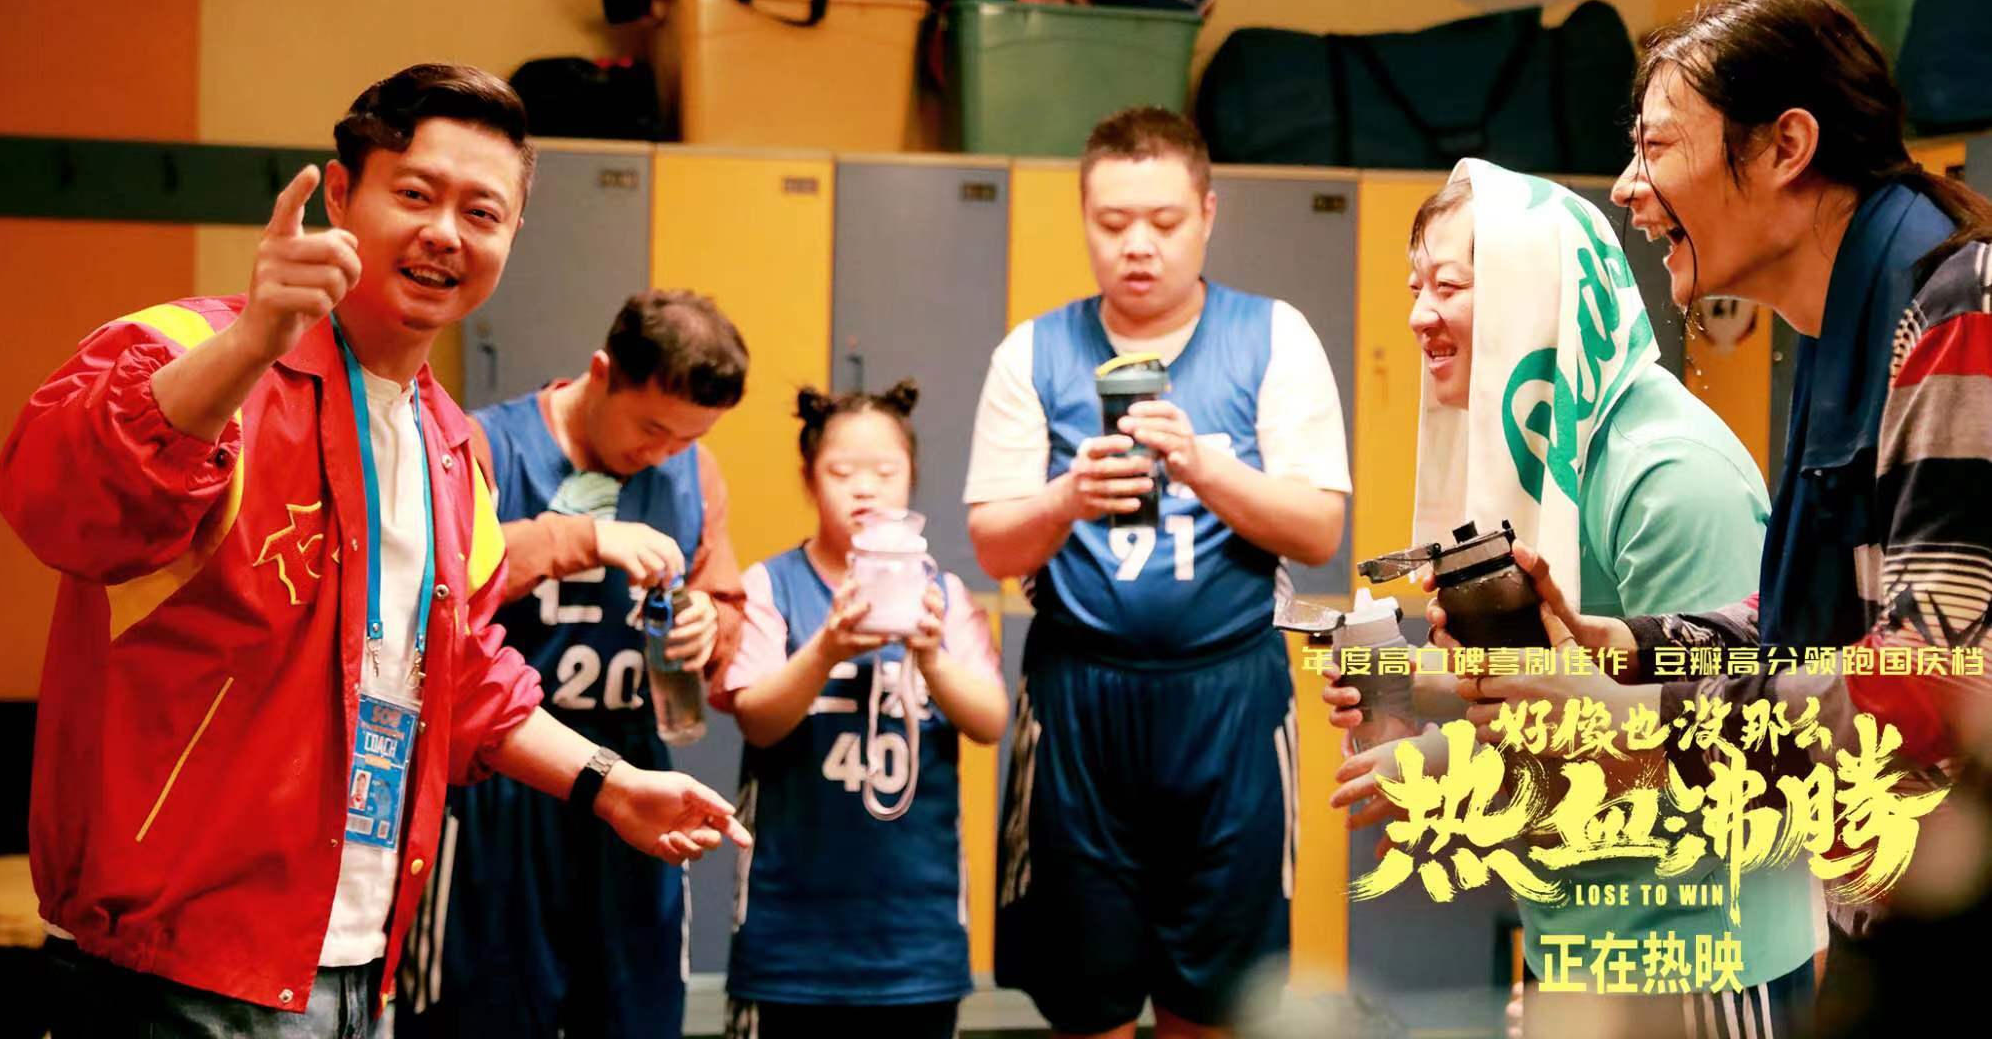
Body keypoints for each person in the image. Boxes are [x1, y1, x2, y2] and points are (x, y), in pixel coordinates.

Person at [0, 64, 749, 1037]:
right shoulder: (187, 349)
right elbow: (61, 506)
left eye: (482, 211)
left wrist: (610, 782)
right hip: (169, 964)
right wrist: (254, 341)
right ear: (343, 194)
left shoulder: (450, 448)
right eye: (416, 194)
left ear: (513, 235)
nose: (446, 232)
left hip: (354, 956)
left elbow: (461, 677)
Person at [1439, 0, 1992, 1035]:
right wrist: (1621, 647)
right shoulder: (1848, 330)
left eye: (1657, 147)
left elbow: (1932, 675)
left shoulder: (1955, 308)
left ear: (1786, 146)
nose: (1627, 189)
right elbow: (1806, 625)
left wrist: (1642, 730)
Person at [1322, 162, 1820, 1037]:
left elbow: (1714, 747)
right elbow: (1553, 684)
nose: (1418, 315)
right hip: (1577, 938)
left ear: (1532, 294)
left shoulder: (1669, 474)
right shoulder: (1541, 447)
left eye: (1450, 287)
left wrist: (1446, 768)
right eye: (1413, 287)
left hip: (1697, 952)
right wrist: (1411, 686)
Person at [968, 106, 1351, 1037]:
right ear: (1084, 218)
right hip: (1078, 701)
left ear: (1207, 214)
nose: (1137, 244)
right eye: (1112, 222)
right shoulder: (1032, 352)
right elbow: (991, 547)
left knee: (1215, 998)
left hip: (1228, 701)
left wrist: (1203, 466)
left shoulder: (1274, 336)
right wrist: (1066, 499)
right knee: (1084, 997)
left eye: (1164, 221)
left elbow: (1318, 531)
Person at [397, 289, 752, 1037]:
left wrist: (708, 623)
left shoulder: (696, 473)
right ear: (601, 372)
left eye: (687, 438)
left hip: (637, 776)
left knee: (634, 1016)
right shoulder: (486, 444)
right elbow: (440, 579)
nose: (662, 454)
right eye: (651, 427)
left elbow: (725, 606)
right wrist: (581, 539)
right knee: (483, 1016)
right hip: (506, 775)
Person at [712, 381, 1006, 1039]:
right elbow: (757, 718)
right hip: (789, 932)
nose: (865, 489)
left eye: (885, 472)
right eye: (842, 473)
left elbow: (989, 721)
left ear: (912, 479)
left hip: (916, 932)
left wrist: (932, 659)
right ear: (809, 478)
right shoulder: (771, 585)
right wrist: (825, 649)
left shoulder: (943, 594)